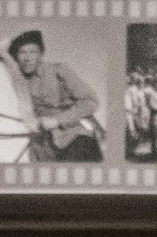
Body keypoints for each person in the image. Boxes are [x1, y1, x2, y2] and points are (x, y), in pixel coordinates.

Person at [9, 30, 102, 161]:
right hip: (38, 145)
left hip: (71, 137)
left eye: (32, 52)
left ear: (41, 55)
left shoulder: (58, 70)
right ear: (16, 58)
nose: (27, 58)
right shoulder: (15, 83)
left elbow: (90, 101)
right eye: (22, 52)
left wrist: (58, 120)